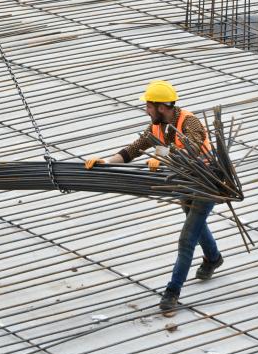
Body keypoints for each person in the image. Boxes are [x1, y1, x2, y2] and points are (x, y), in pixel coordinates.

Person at [85, 80, 222, 315]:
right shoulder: (157, 126)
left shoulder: (189, 122)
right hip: (183, 183)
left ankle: (171, 293)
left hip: (206, 182)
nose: (146, 110)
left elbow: (192, 147)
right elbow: (133, 149)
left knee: (187, 239)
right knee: (194, 221)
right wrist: (106, 161)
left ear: (160, 106)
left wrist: (167, 156)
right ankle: (213, 258)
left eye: (148, 106)